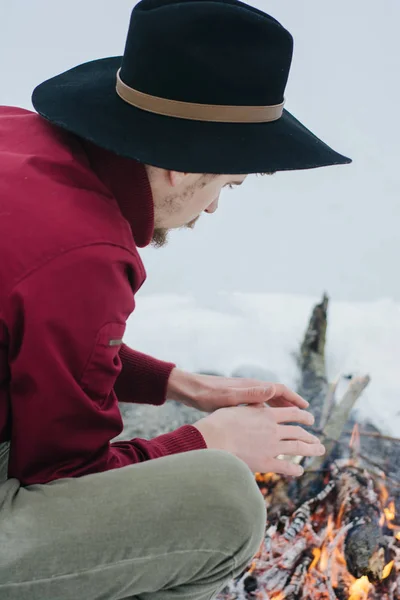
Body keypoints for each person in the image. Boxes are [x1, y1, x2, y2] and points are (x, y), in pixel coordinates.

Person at [0, 1, 351, 598]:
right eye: (225, 184)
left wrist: (178, 384)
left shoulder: (14, 134)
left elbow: (27, 330)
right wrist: (212, 442)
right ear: (176, 164)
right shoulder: (83, 252)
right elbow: (63, 478)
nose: (212, 207)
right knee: (223, 507)